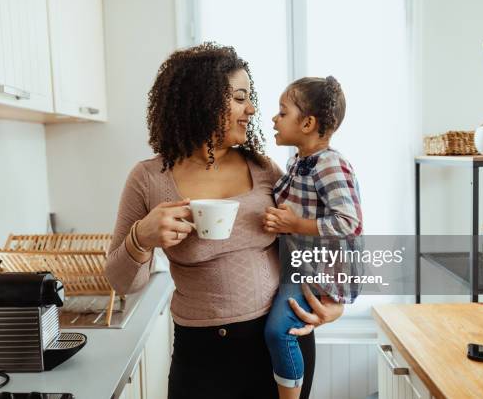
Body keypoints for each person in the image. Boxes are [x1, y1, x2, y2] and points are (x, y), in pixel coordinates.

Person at [104, 43, 344, 399]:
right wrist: (141, 238)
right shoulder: (149, 179)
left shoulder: (263, 168)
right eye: (239, 98)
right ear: (201, 101)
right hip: (202, 360)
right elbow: (121, 280)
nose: (251, 109)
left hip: (277, 346)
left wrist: (335, 301)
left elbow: (317, 235)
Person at [263, 77, 363, 399]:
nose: (274, 118)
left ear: (307, 123)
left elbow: (349, 222)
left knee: (279, 332)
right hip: (303, 262)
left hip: (319, 270)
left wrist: (295, 223)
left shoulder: (331, 164)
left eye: (282, 112)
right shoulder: (298, 160)